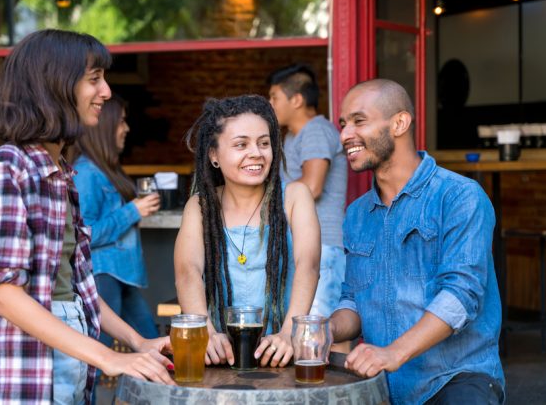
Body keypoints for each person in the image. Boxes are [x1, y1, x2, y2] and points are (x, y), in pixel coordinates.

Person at [0, 29, 174, 404]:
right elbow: (6, 295)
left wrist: (138, 342)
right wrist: (107, 356)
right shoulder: (7, 166)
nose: (106, 92)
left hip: (71, 367)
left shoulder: (60, 173)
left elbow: (79, 288)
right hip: (25, 380)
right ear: (54, 87)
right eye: (95, 80)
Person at [331, 78, 504, 404]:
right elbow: (353, 300)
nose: (344, 135)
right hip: (387, 386)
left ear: (399, 123)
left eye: (359, 121)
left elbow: (460, 297)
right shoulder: (356, 214)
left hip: (456, 378)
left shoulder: (459, 196)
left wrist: (392, 353)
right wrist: (326, 329)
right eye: (343, 124)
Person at [174, 95, 320, 368]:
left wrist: (289, 333)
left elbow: (307, 265)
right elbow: (187, 272)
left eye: (264, 143)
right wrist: (205, 331)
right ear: (214, 155)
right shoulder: (200, 206)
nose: (256, 152)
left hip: (280, 352)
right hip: (219, 354)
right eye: (241, 144)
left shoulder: (295, 197)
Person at [73, 94, 160, 340]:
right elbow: (86, 234)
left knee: (151, 342)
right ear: (106, 126)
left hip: (119, 275)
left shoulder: (104, 169)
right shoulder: (87, 172)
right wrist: (133, 211)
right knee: (100, 356)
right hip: (103, 275)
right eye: (122, 121)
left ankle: (163, 380)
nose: (127, 128)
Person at [267, 63, 347, 318]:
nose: (270, 104)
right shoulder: (292, 135)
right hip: (305, 244)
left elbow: (312, 187)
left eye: (274, 97)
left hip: (323, 245)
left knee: (319, 329)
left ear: (297, 100)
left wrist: (261, 201)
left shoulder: (316, 130)